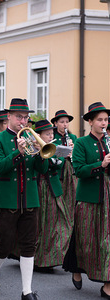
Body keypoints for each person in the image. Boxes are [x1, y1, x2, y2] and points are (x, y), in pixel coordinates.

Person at [0, 98, 49, 300]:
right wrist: (18, 152)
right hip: (7, 200)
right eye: (19, 117)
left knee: (29, 245)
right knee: (5, 244)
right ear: (9, 117)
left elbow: (43, 170)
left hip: (30, 199)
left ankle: (27, 291)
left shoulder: (32, 137)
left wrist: (41, 153)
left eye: (26, 117)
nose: (23, 121)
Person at [72, 102, 110, 298]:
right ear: (90, 122)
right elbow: (78, 170)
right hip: (88, 198)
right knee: (84, 239)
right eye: (100, 120)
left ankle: (107, 284)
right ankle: (76, 267)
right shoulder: (81, 143)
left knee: (106, 241)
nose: (104, 123)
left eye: (106, 120)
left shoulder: (109, 141)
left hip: (108, 198)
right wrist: (100, 164)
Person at [33, 119, 73, 271]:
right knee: (40, 224)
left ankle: (51, 258)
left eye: (51, 134)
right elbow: (41, 168)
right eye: (47, 134)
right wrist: (43, 154)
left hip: (53, 188)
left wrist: (58, 156)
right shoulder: (34, 148)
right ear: (39, 135)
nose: (51, 136)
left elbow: (60, 164)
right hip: (38, 187)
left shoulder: (55, 146)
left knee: (59, 223)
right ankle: (38, 259)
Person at [51, 110, 79, 284]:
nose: (64, 125)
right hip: (58, 175)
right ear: (56, 124)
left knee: (70, 211)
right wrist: (61, 153)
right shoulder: (52, 137)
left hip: (71, 175)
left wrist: (72, 151)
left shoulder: (74, 137)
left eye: (66, 122)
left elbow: (78, 158)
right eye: (61, 122)